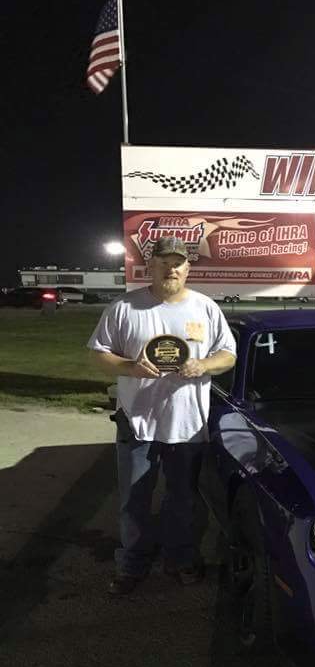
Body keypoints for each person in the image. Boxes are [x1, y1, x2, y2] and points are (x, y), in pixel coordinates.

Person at [87, 237, 237, 596]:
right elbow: (97, 353)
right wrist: (130, 368)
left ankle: (181, 559)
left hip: (187, 424)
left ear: (188, 268)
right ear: (150, 266)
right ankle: (132, 565)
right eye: (164, 262)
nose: (171, 268)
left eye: (178, 262)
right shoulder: (125, 307)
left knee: (182, 500)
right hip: (136, 421)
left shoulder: (205, 307)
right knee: (134, 500)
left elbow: (228, 354)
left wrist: (203, 363)